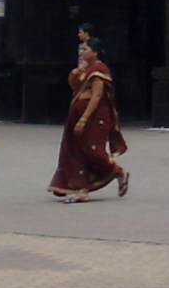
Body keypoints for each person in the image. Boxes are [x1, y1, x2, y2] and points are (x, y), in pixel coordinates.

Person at [50, 37, 129, 202]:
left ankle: (119, 172)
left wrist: (84, 119)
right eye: (80, 50)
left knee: (93, 151)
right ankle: (81, 189)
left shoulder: (99, 69)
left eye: (85, 49)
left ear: (95, 52)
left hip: (95, 117)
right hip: (76, 114)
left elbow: (97, 96)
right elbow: (75, 87)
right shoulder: (84, 69)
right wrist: (75, 73)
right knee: (75, 151)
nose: (81, 52)